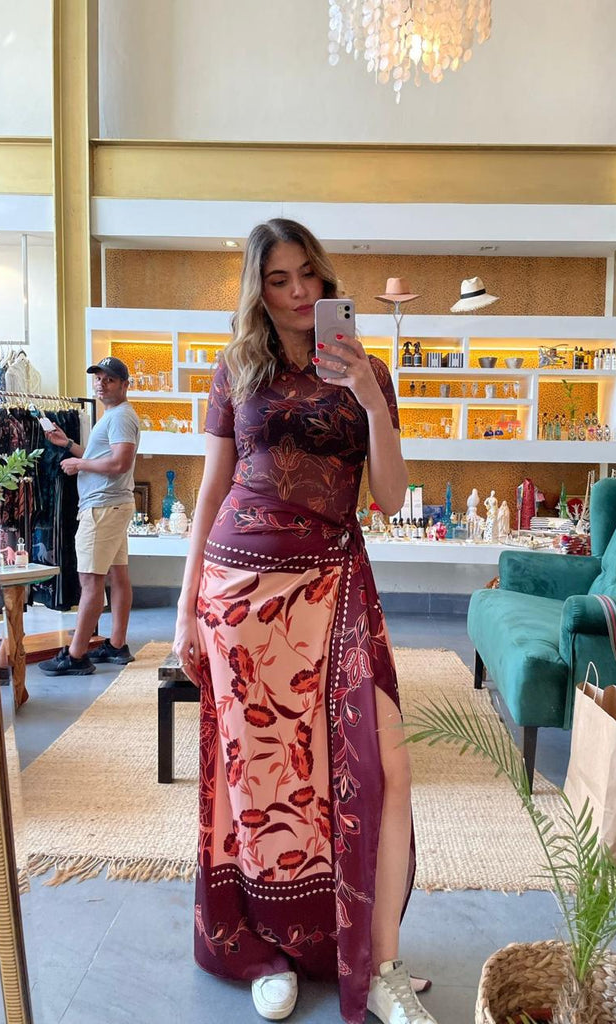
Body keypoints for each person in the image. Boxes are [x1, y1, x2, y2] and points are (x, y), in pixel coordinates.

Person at [173, 219, 438, 1024]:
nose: (297, 293)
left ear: (326, 278)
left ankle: (381, 965)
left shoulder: (368, 370)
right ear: (258, 289)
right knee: (262, 783)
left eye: (308, 276)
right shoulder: (235, 368)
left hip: (335, 583)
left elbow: (389, 496)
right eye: (278, 280)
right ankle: (270, 949)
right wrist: (186, 607)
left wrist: (369, 398)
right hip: (239, 594)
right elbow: (212, 490)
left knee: (386, 770)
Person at [38, 356, 140, 675]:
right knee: (118, 575)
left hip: (102, 508)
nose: (101, 384)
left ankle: (77, 654)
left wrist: (79, 465)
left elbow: (120, 463)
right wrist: (69, 445)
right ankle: (117, 644)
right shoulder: (114, 416)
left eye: (109, 379)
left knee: (91, 581)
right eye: (98, 378)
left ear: (124, 385)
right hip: (112, 505)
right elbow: (102, 457)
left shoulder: (120, 417)